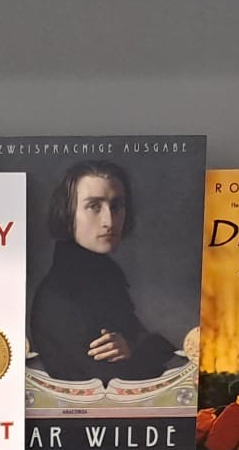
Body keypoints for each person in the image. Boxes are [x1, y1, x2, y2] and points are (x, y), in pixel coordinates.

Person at [29, 160, 177, 384]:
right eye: (94, 206)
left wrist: (135, 346)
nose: (109, 221)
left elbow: (156, 348)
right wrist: (142, 348)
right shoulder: (62, 294)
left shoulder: (104, 277)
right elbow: (119, 379)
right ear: (67, 213)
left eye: (116, 206)